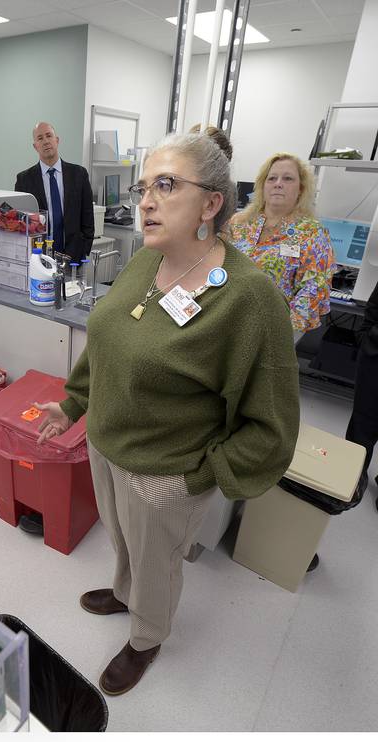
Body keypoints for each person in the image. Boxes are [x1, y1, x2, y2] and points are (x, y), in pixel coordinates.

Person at [34, 132, 300, 696]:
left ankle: (146, 635)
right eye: (143, 186)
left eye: (167, 185)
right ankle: (125, 593)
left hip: (165, 470)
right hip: (106, 445)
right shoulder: (145, 261)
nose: (146, 201)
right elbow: (106, 341)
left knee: (158, 561)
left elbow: (272, 430)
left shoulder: (249, 299)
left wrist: (194, 480)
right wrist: (74, 403)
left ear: (211, 204)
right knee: (123, 540)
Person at [226, 153, 334, 335]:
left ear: (300, 188)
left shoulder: (311, 233)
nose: (278, 183)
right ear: (262, 185)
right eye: (272, 178)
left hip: (271, 330)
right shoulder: (238, 223)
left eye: (288, 178)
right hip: (224, 317)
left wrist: (281, 335)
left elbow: (314, 290)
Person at [14, 122, 94, 263]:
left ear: (57, 140)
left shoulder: (78, 174)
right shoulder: (24, 180)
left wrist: (84, 247)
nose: (45, 141)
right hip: (39, 257)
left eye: (49, 136)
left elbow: (87, 215)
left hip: (73, 256)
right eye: (40, 138)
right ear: (35, 146)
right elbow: (21, 222)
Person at [345, 278, 378, 510]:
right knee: (364, 420)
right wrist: (366, 336)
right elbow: (374, 306)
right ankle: (351, 478)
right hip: (377, 355)